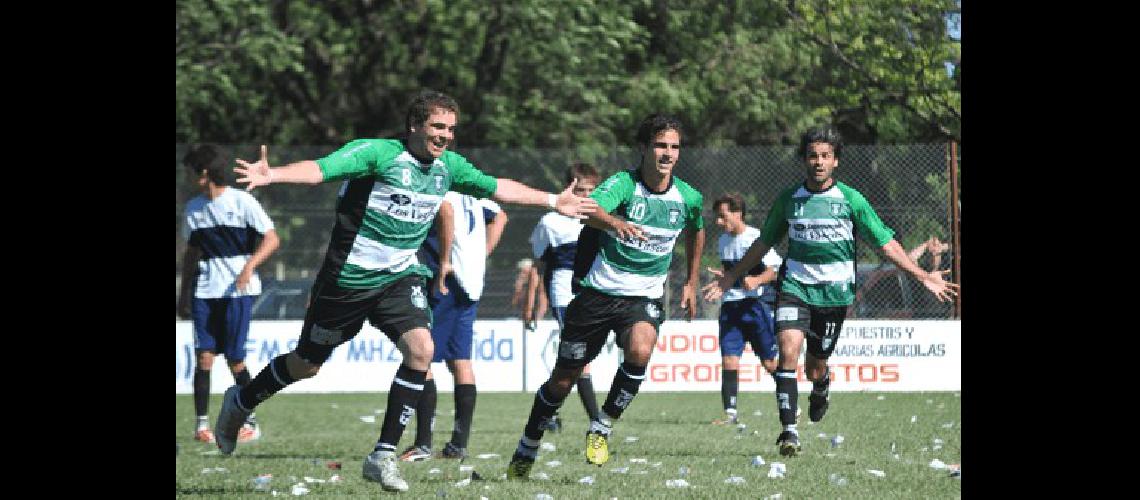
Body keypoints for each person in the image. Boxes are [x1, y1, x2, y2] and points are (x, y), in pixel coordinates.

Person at [216, 90, 597, 493]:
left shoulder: (448, 166)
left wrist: (554, 200)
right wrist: (273, 173)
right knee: (307, 364)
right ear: (414, 125)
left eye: (450, 129)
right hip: (347, 282)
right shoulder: (377, 154)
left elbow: (497, 187)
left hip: (399, 278)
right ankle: (241, 401)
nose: (445, 136)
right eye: (437, 127)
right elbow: (320, 169)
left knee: (422, 350)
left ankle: (382, 455)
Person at [701, 127, 958, 457]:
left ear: (835, 161)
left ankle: (821, 385)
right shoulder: (789, 200)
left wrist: (922, 275)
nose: (818, 162)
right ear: (804, 160)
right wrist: (730, 277)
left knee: (814, 367)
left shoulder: (851, 200)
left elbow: (886, 245)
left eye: (825, 156)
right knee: (788, 350)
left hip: (834, 297)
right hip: (794, 287)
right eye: (812, 155)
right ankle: (788, 432)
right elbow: (763, 243)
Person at [507, 113, 705, 478]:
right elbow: (587, 209)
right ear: (645, 148)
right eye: (661, 145)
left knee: (641, 350)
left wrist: (692, 281)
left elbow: (696, 230)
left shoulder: (688, 197)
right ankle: (528, 444)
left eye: (674, 147)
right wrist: (615, 222)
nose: (667, 153)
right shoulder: (623, 185)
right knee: (563, 381)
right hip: (597, 294)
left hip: (642, 297)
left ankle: (601, 426)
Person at [177, 144, 280, 445]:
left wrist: (249, 266)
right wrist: (183, 294)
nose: (188, 175)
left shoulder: (242, 202)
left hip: (237, 291)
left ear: (204, 173)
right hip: (204, 292)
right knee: (204, 357)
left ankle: (250, 421)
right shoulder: (193, 209)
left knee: (235, 359)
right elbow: (191, 254)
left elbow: (272, 239)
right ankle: (201, 425)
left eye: (191, 169)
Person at [398, 190, 508, 462]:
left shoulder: (439, 187)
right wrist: (478, 257)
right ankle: (458, 445)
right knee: (460, 361)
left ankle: (422, 444)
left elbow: (444, 210)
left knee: (420, 357)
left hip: (444, 281)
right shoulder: (474, 196)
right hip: (469, 283)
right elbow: (500, 217)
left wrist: (445, 260)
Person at [522, 163, 604, 433]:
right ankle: (596, 420)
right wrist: (531, 305)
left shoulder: (602, 217)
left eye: (591, 191)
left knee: (571, 361)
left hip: (596, 290)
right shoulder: (551, 222)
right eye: (580, 190)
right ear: (568, 188)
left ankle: (547, 411)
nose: (586, 196)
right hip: (565, 293)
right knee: (580, 358)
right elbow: (538, 265)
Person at [706, 193, 782, 426]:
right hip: (731, 307)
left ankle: (789, 401)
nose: (719, 222)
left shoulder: (756, 238)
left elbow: (774, 270)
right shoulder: (722, 241)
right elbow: (732, 272)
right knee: (729, 360)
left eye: (723, 216)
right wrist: (725, 277)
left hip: (755, 307)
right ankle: (730, 414)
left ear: (738, 213)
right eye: (717, 217)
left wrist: (757, 280)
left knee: (770, 363)